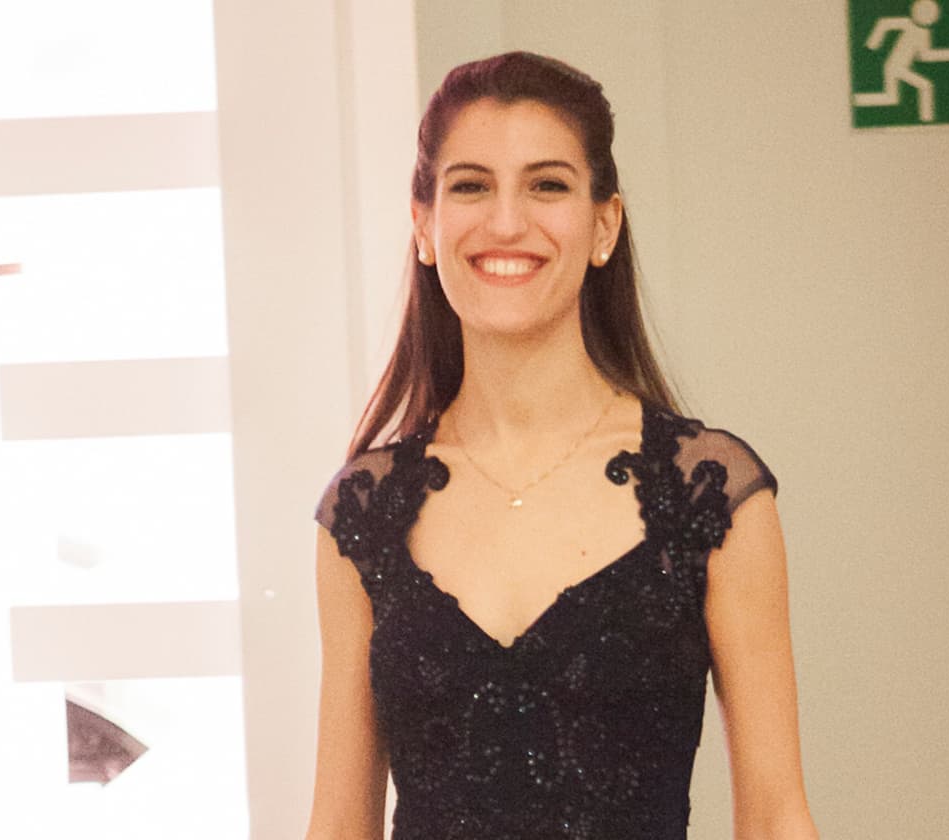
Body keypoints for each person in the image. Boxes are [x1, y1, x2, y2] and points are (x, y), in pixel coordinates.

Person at [308, 51, 817, 840]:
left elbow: (777, 815)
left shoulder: (709, 493)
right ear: (424, 226)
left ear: (603, 224)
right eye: (471, 186)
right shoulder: (363, 512)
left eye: (547, 185)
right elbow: (339, 826)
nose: (506, 222)